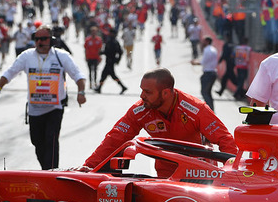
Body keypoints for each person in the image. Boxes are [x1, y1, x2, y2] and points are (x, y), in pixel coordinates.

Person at [81, 67, 237, 177]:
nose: (142, 96)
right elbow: (115, 138)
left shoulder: (196, 109)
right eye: (142, 90)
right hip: (165, 178)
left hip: (200, 176)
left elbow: (225, 140)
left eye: (147, 92)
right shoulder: (140, 110)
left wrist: (233, 174)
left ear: (166, 93)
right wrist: (89, 166)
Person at [0, 25, 87, 170]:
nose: (40, 42)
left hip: (55, 108)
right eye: (37, 39)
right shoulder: (27, 56)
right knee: (38, 143)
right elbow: (9, 73)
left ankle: (52, 173)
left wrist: (81, 92)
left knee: (51, 141)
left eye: (44, 39)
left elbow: (78, 75)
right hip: (35, 110)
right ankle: (46, 171)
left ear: (51, 40)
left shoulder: (61, 56)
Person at [96, 29, 127, 94]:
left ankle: (123, 87)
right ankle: (99, 88)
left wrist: (117, 60)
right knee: (106, 75)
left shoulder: (114, 42)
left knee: (109, 75)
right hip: (108, 61)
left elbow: (119, 52)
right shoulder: (109, 41)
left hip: (111, 61)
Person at [199, 36, 218, 110]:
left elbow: (203, 62)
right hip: (213, 73)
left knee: (204, 92)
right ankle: (211, 109)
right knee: (208, 93)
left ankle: (209, 110)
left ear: (207, 42)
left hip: (208, 73)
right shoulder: (214, 49)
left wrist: (195, 62)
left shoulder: (206, 50)